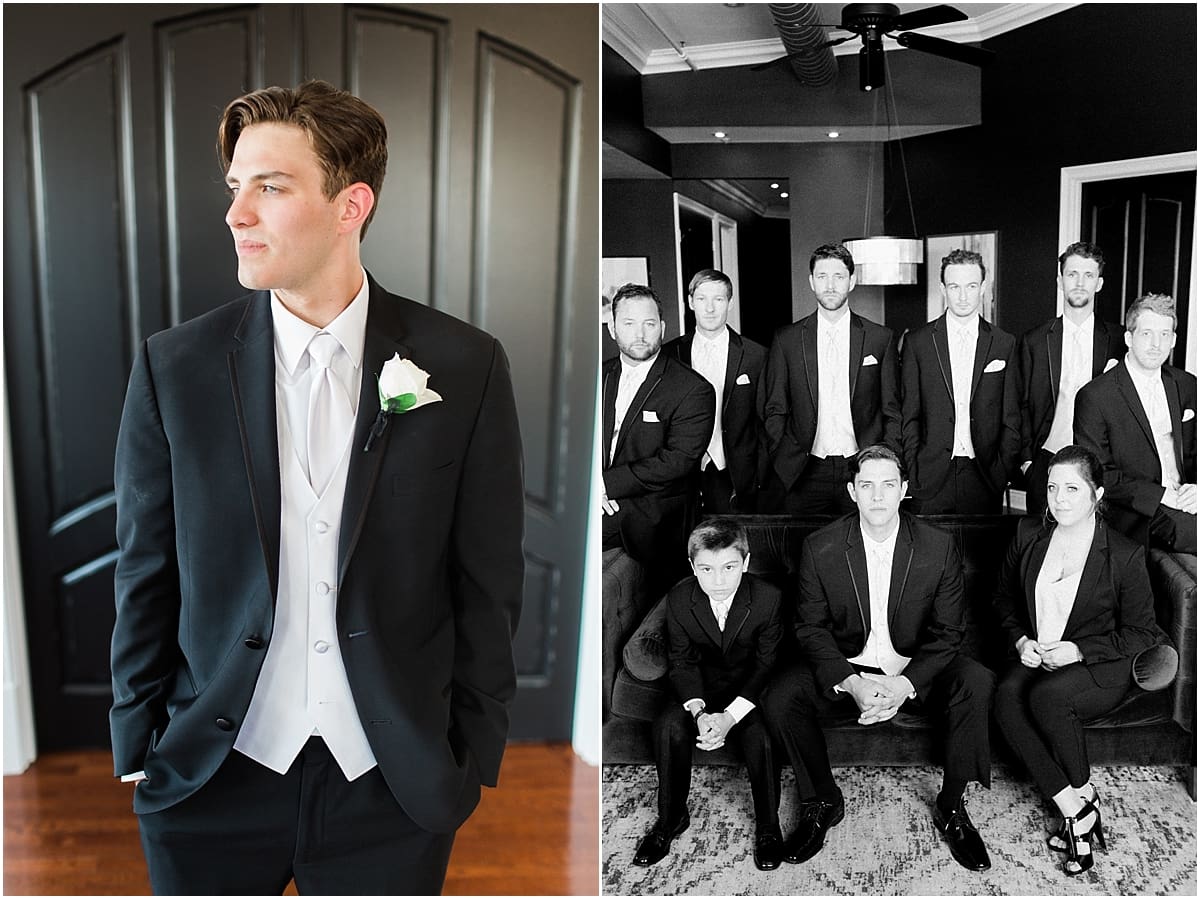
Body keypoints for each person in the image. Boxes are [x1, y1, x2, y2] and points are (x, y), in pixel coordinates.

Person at [110, 81, 525, 895]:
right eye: (236, 187)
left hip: (392, 779)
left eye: (270, 186)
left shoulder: (465, 363)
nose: (236, 214)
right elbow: (143, 568)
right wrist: (138, 740)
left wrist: (471, 752)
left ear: (350, 204)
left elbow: (488, 576)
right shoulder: (176, 367)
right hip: (211, 777)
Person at [762, 445, 995, 871]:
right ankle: (823, 800)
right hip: (852, 663)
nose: (877, 496)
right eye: (867, 485)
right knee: (780, 695)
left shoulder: (937, 546)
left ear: (904, 490)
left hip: (913, 666)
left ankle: (952, 805)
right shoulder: (821, 546)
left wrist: (904, 684)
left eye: (888, 485)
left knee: (976, 681)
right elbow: (809, 629)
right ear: (852, 491)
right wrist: (851, 682)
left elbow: (949, 634)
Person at [992, 444, 1163, 875]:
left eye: (1072, 488)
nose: (1060, 499)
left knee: (1047, 698)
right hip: (1037, 653)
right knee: (1005, 697)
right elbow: (1001, 602)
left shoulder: (1123, 554)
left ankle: (1082, 801)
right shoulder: (1028, 535)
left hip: (1098, 665)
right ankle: (1077, 807)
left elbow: (1143, 632)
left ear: (1097, 494)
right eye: (1052, 488)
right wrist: (1019, 642)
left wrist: (1079, 650)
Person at [633, 519, 785, 871]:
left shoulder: (768, 599)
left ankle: (767, 825)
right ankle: (671, 818)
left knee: (760, 736)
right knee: (668, 726)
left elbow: (766, 665)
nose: (718, 581)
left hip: (747, 691)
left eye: (729, 568)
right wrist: (700, 713)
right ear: (693, 567)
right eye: (707, 569)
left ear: (745, 564)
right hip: (699, 688)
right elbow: (682, 662)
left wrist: (730, 717)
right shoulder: (681, 597)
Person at [759, 244, 901, 514]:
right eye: (822, 276)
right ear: (812, 281)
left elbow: (892, 409)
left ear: (852, 280)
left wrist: (883, 460)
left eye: (838, 276)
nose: (830, 285)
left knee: (859, 551)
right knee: (804, 551)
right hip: (803, 470)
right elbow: (774, 407)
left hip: (863, 468)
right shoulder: (787, 340)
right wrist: (784, 454)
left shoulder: (879, 339)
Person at [602, 283, 716, 591]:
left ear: (662, 327)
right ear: (612, 328)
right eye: (629, 323)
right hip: (600, 504)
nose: (640, 333)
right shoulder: (597, 375)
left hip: (655, 516)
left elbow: (678, 461)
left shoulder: (692, 389)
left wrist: (603, 485)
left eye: (649, 323)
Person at [1074, 293, 1196, 554]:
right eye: (1146, 334)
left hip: (1186, 498)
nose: (1156, 344)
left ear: (1174, 340)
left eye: (1165, 335)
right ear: (1129, 338)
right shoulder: (1095, 396)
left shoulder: (1187, 385)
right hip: (1135, 509)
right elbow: (1097, 473)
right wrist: (1161, 495)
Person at [901, 248, 1021, 513]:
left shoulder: (1004, 343)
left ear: (983, 287)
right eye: (954, 286)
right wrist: (913, 467)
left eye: (971, 286)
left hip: (985, 474)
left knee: (980, 554)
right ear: (943, 288)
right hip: (930, 475)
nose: (963, 296)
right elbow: (909, 414)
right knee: (929, 553)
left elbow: (1011, 416)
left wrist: (1000, 471)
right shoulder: (918, 343)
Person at [1018, 242, 1125, 514]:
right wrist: (1027, 462)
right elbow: (1021, 403)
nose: (1079, 283)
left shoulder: (1119, 340)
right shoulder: (1035, 341)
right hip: (1046, 460)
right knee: (1041, 542)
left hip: (1100, 462)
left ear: (1099, 283)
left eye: (1088, 275)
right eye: (1072, 274)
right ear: (1059, 281)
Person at [664, 269, 766, 514]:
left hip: (735, 473)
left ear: (729, 303)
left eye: (718, 299)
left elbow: (765, 421)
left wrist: (759, 475)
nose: (709, 308)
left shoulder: (756, 355)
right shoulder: (670, 355)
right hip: (680, 474)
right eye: (701, 299)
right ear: (690, 302)